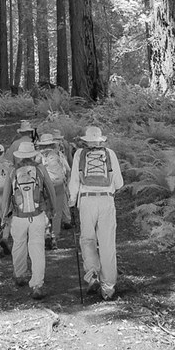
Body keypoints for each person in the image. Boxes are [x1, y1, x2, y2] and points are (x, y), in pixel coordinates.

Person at [68, 125, 124, 301]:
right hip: (106, 200)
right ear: (100, 140)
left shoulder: (79, 154)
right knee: (107, 243)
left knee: (87, 239)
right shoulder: (110, 154)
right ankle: (108, 287)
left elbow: (74, 181)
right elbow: (119, 183)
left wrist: (72, 200)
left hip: (86, 200)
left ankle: (92, 274)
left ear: (86, 141)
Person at [1, 142, 58, 300]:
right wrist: (53, 208)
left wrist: (4, 216)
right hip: (37, 215)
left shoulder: (13, 171)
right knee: (37, 248)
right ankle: (37, 285)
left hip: (19, 217)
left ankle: (19, 275)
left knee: (18, 245)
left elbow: (6, 196)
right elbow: (50, 190)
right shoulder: (40, 169)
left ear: (19, 156)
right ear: (33, 155)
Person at [37, 131, 70, 249]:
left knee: (45, 210)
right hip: (58, 185)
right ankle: (54, 237)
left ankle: (46, 234)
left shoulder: (37, 157)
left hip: (44, 187)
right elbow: (68, 169)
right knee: (57, 211)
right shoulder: (58, 155)